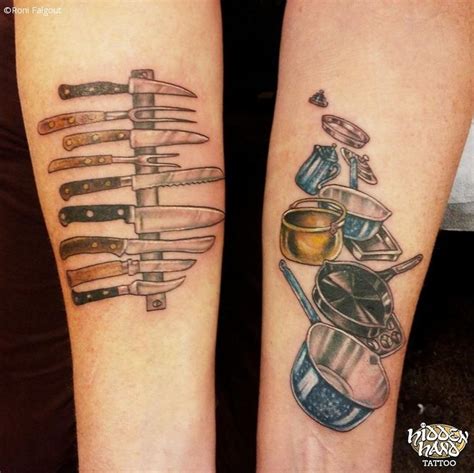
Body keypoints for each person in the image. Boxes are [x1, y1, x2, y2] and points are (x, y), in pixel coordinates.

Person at [4, 0, 472, 471]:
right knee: (59, 439)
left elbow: (398, 20)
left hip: (337, 77)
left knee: (264, 438)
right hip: (94, 42)